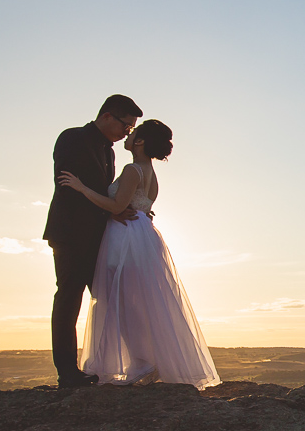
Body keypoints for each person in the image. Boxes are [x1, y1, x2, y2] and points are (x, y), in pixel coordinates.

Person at [58, 119, 220, 389]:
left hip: (124, 238)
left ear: (141, 142)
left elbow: (117, 205)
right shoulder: (151, 173)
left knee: (119, 299)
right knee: (135, 302)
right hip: (141, 234)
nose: (128, 135)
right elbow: (141, 206)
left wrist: (82, 188)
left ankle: (141, 360)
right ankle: (144, 360)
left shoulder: (132, 169)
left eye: (133, 133)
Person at [44, 95, 142, 387]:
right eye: (126, 125)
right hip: (71, 234)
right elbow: (66, 186)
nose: (128, 132)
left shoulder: (110, 153)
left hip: (101, 236)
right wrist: (110, 210)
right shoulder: (72, 138)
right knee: (69, 298)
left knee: (112, 298)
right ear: (108, 116)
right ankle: (67, 372)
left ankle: (135, 362)